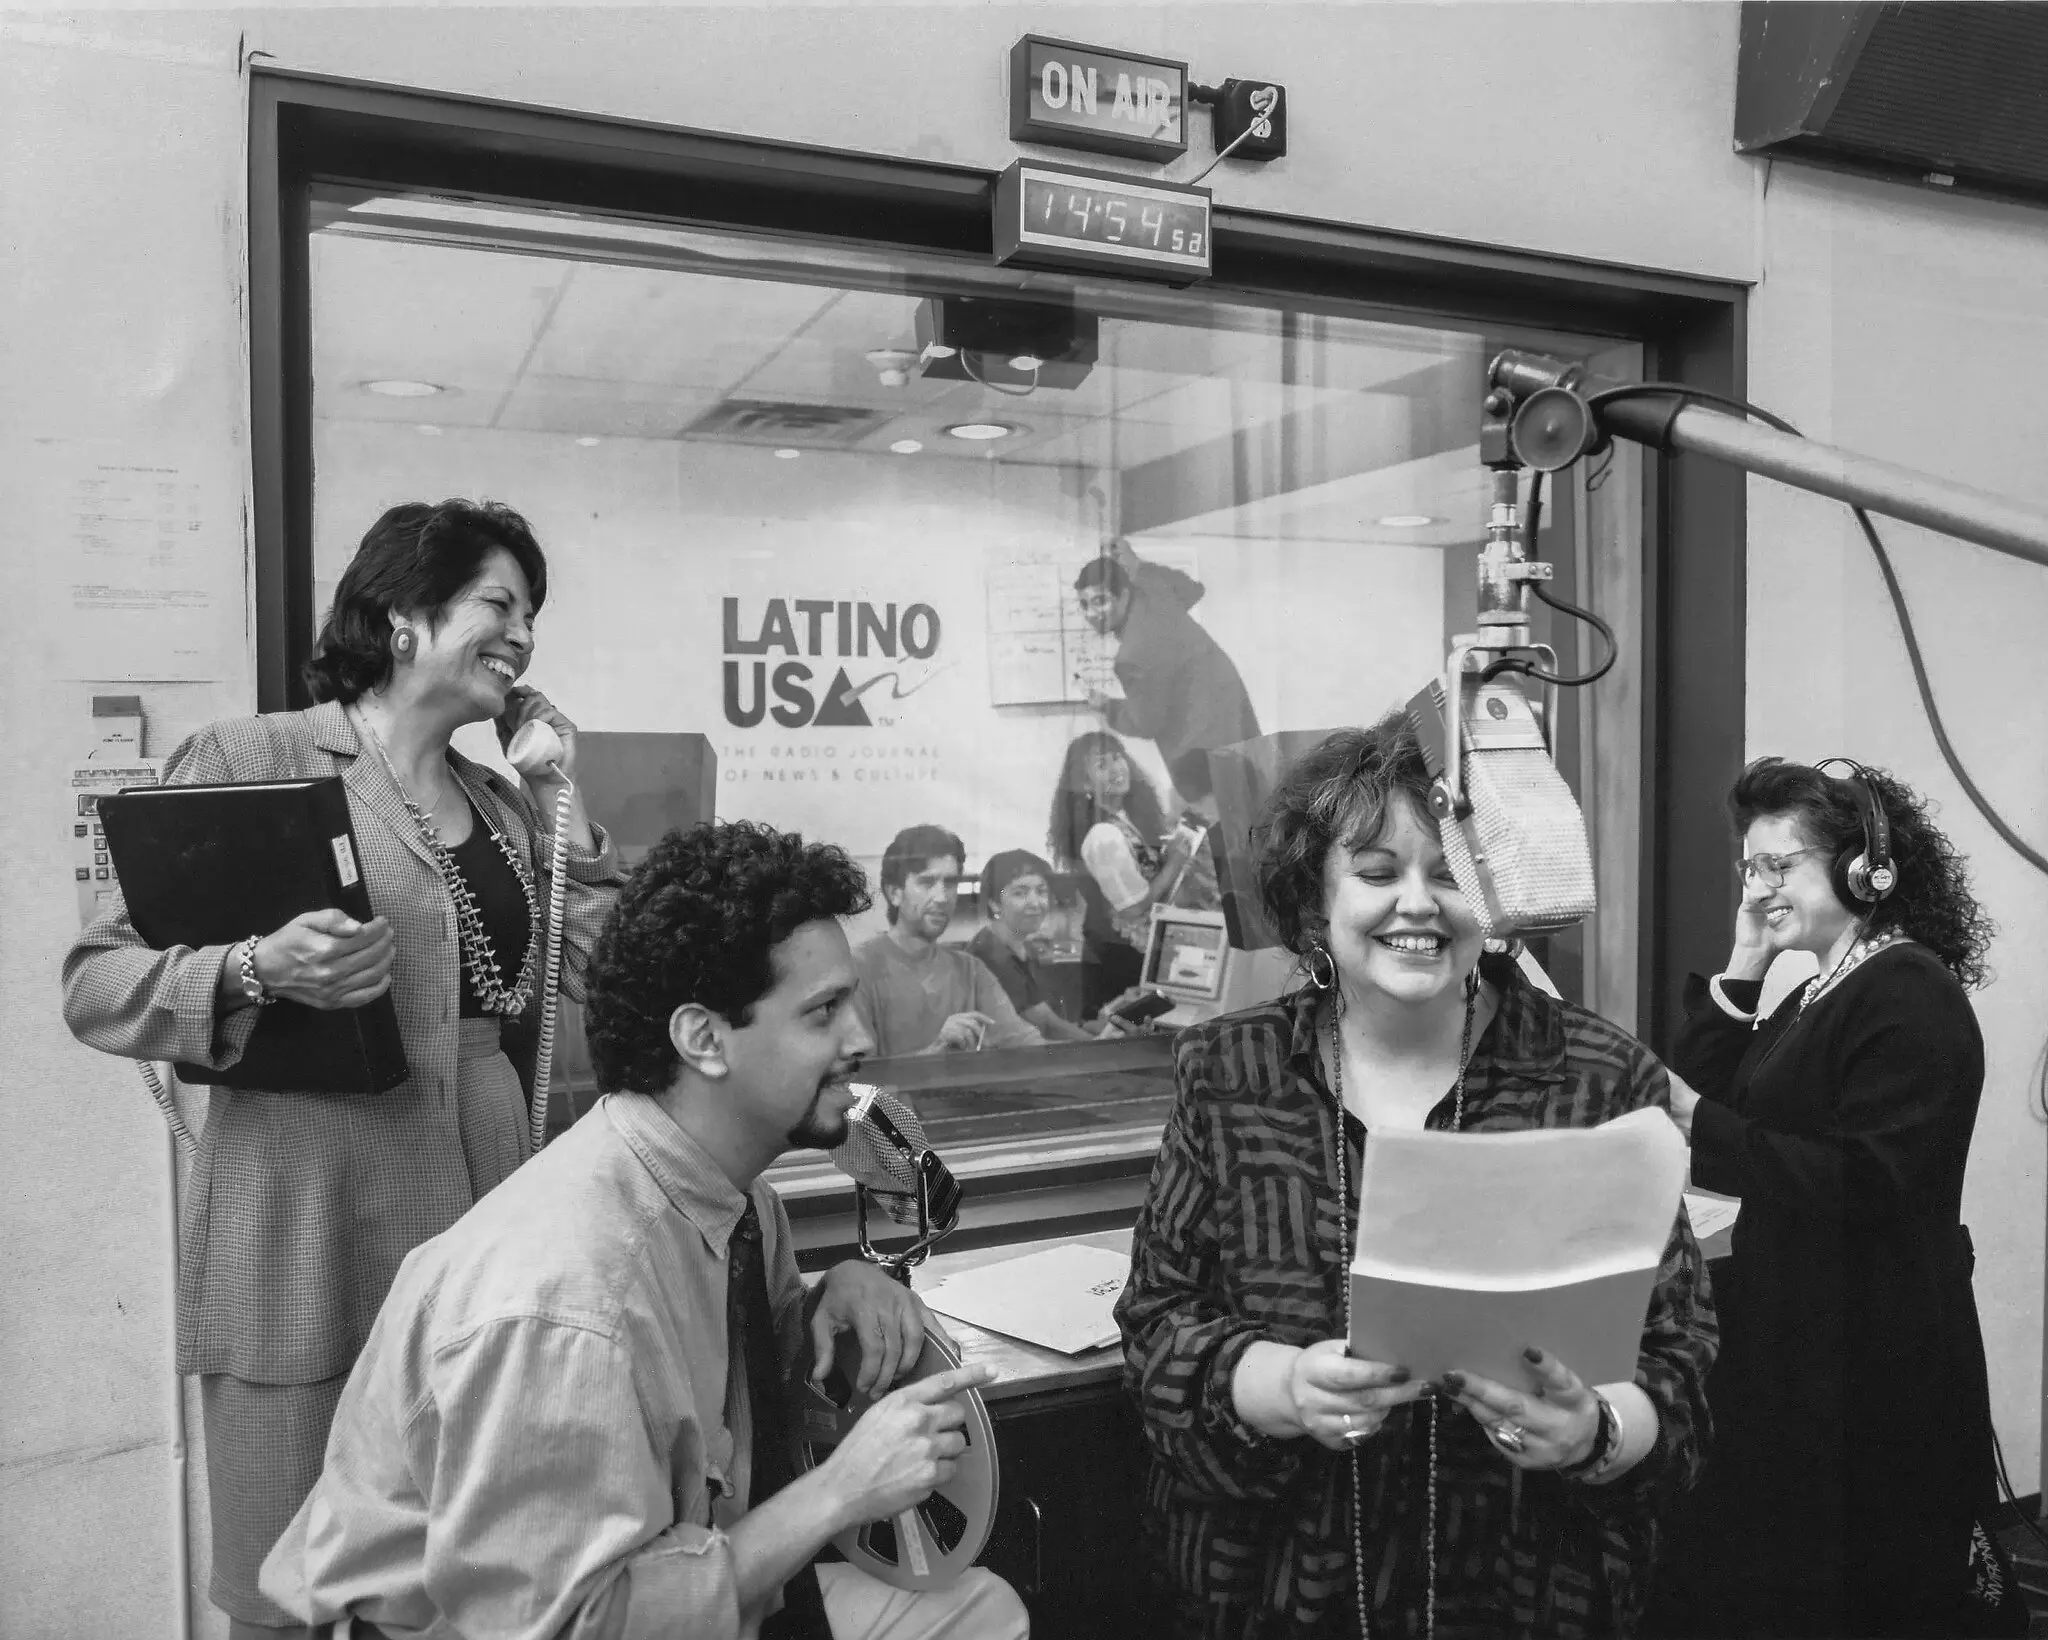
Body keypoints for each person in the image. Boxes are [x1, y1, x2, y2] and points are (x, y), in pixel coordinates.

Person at [62, 498, 624, 1640]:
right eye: (498, 605)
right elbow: (96, 981)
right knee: (286, 1583)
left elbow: (608, 965)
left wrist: (568, 794)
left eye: (532, 615)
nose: (522, 636)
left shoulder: (507, 803)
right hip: (308, 1216)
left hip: (480, 1204)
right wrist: (258, 966)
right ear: (406, 615)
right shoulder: (251, 753)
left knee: (460, 1577)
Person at [258, 820, 1030, 1640]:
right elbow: (577, 1626)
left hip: (674, 1579)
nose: (862, 1040)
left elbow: (717, 1406)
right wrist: (842, 1491)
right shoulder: (564, 1304)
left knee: (982, 1612)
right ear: (702, 1039)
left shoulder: (729, 1200)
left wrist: (824, 1303)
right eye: (823, 1013)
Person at [1115, 717, 1716, 1638]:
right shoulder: (1230, 1072)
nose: (1419, 904)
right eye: (1378, 871)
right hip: (1282, 1584)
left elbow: (1678, 1356)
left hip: (1528, 1578)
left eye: (1450, 873)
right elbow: (1159, 1324)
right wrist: (1281, 1385)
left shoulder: (1598, 1080)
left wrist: (1596, 1429)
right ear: (1316, 901)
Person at [1651, 758, 1998, 1638]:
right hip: (1804, 1333)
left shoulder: (1908, 992)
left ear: (1862, 870)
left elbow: (1868, 1181)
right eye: (1749, 867)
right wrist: (1745, 955)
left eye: (1781, 866)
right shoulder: (1818, 989)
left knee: (1863, 1585)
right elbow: (1699, 1091)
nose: (1760, 886)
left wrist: (1708, 1128)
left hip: (1877, 1354)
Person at [1073, 540, 1260, 804]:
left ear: (1123, 595)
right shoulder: (1154, 594)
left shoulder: (1132, 656)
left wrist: (1106, 706)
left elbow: (1146, 723)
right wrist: (1138, 567)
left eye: (1100, 601)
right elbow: (1193, 590)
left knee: (1222, 833)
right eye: (1084, 604)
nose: (1091, 613)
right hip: (1240, 733)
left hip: (1203, 756)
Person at [1048, 732, 1210, 1010]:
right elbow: (1134, 909)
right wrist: (1173, 864)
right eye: (1102, 765)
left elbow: (1149, 885)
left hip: (1136, 954)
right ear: (1085, 783)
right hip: (1119, 964)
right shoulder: (1102, 835)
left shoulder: (1123, 820)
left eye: (1118, 758)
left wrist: (1173, 863)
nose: (1116, 769)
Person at [851, 824, 1043, 1056]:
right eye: (927, 883)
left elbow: (1027, 1045)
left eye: (950, 883)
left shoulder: (970, 970)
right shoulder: (859, 969)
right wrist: (934, 1052)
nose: (942, 897)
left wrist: (1095, 1047)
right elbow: (856, 1085)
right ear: (894, 893)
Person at [967, 849, 1099, 1043]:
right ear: (994, 904)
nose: (1035, 903)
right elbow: (1046, 1025)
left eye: (1041, 891)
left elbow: (1083, 955)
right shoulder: (992, 955)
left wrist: (1096, 1023)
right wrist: (1103, 1042)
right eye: (1020, 893)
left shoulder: (1024, 945)